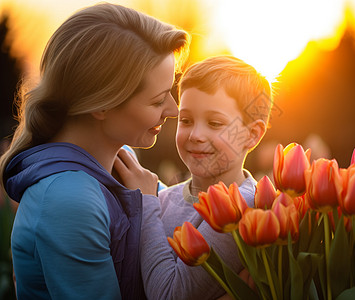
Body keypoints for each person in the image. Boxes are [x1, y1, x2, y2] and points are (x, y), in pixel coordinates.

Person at [0, 3, 189, 299]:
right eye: (157, 100)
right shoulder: (68, 198)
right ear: (102, 103)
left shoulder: (122, 162)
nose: (174, 110)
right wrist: (148, 201)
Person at [139, 55, 273, 299]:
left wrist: (147, 204)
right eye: (186, 120)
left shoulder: (246, 208)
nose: (196, 135)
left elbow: (169, 295)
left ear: (252, 135)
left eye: (214, 123)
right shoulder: (164, 198)